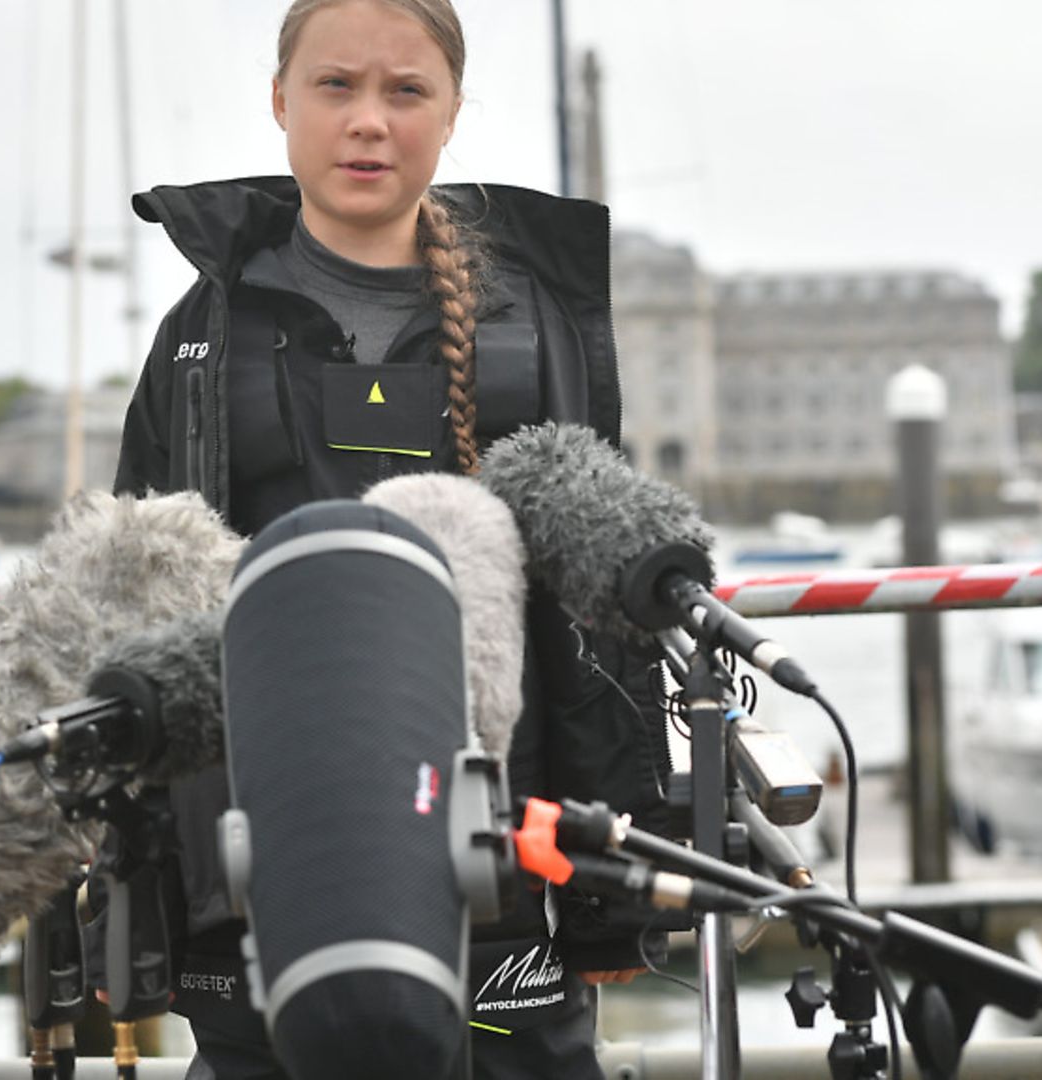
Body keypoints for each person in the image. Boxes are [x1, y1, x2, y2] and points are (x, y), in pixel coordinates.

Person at [110, 1, 676, 1076]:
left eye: (406, 91)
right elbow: (137, 611)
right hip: (262, 841)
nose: (369, 120)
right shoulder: (200, 335)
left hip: (500, 850)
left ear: (453, 113)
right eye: (336, 86)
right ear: (281, 102)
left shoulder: (536, 322)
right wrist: (131, 896)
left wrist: (609, 888)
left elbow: (591, 612)